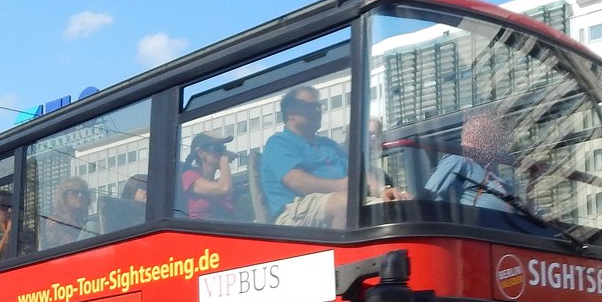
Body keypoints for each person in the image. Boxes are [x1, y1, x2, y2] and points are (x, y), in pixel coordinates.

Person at [261, 86, 404, 229]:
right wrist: (342, 186)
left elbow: (360, 174)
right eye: (311, 106)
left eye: (319, 106)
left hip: (345, 199)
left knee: (397, 206)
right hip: (294, 212)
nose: (318, 111)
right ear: (291, 112)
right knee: (346, 203)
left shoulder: (327, 144)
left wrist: (383, 190)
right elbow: (296, 181)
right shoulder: (279, 143)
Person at [423, 108, 520, 212]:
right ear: (471, 135)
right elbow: (430, 199)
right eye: (487, 132)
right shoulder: (459, 159)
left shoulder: (489, 167)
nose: (494, 138)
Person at [181, 133, 237, 221]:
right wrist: (224, 159)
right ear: (201, 153)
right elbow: (225, 189)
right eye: (218, 148)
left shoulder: (217, 183)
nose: (222, 153)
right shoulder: (189, 176)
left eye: (223, 149)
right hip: (199, 227)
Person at [43, 176, 97, 248]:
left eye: (84, 193)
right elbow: (70, 247)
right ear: (64, 197)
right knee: (92, 226)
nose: (80, 195)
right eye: (74, 192)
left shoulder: (84, 221)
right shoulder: (56, 221)